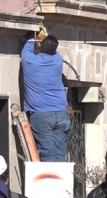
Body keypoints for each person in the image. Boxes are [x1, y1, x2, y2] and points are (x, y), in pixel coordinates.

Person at [20, 34, 71, 162]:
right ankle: (61, 181)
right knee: (60, 156)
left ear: (40, 46)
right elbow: (52, 49)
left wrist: (34, 39)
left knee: (48, 157)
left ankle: (51, 182)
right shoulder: (58, 61)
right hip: (61, 114)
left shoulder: (29, 60)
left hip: (42, 115)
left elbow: (28, 44)